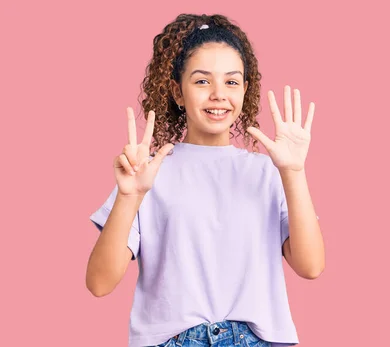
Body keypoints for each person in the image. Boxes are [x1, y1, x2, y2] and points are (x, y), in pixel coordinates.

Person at [85, 13, 325, 347]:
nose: (217, 94)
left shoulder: (269, 171)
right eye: (201, 81)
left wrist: (294, 173)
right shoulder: (148, 173)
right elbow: (99, 283)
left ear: (245, 89)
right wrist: (130, 196)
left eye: (231, 81)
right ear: (177, 92)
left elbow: (311, 266)